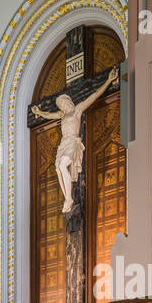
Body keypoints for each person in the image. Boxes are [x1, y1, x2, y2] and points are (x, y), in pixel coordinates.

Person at [30, 66, 118, 214]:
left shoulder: (77, 110)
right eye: (60, 106)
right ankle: (67, 198)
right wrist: (39, 112)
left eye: (63, 103)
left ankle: (69, 197)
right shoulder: (62, 115)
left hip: (72, 141)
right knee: (58, 168)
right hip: (63, 143)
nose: (62, 107)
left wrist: (108, 80)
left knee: (63, 165)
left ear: (68, 102)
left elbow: (94, 95)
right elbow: (49, 115)